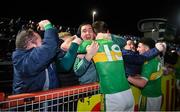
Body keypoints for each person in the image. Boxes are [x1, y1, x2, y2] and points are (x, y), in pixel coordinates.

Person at [12, 20, 61, 94]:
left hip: (48, 100)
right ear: (32, 43)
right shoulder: (23, 60)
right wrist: (47, 25)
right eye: (41, 41)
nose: (43, 42)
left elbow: (54, 47)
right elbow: (50, 47)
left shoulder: (38, 56)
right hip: (32, 104)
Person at [127, 37, 163, 111]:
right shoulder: (156, 59)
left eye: (139, 47)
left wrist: (127, 77)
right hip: (157, 96)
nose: (137, 49)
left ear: (146, 49)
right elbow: (150, 76)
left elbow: (142, 83)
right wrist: (137, 76)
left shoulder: (148, 63)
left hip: (149, 98)